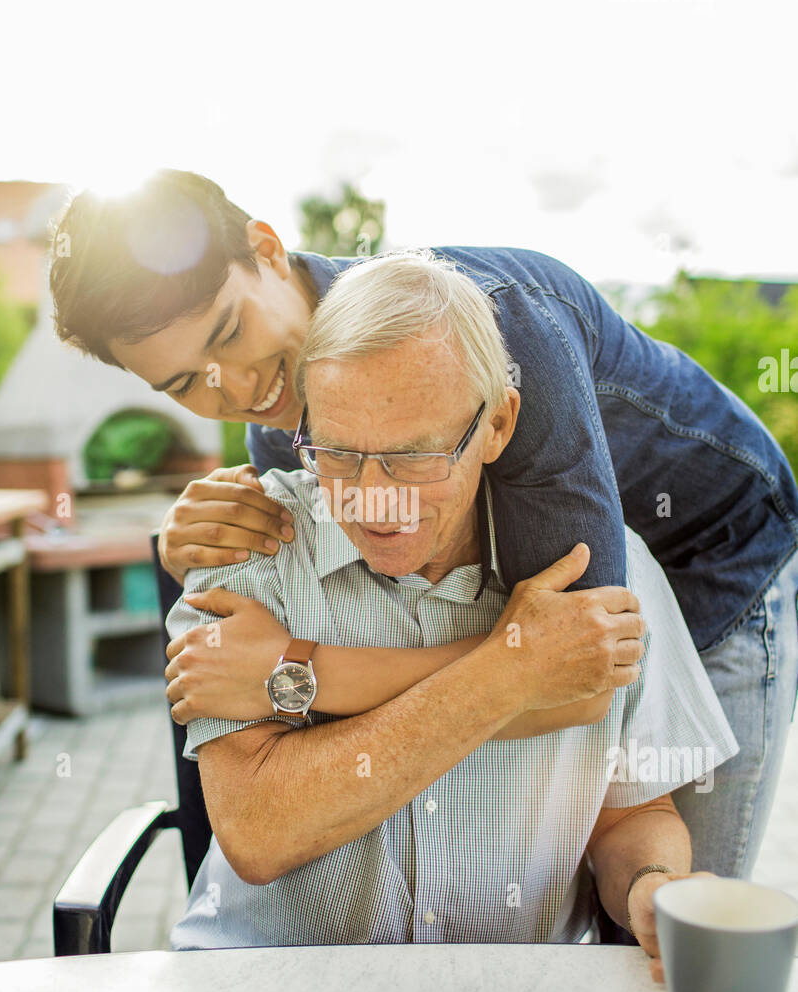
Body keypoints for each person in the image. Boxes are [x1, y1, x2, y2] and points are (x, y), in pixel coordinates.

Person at [49, 168, 798, 887]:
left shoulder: (498, 336)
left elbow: (571, 685)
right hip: (600, 586)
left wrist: (290, 675)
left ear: (269, 249)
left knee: (673, 918)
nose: (238, 388)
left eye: (230, 331)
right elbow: (518, 667)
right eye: (184, 384)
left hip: (716, 546)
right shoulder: (282, 429)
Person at [162, 250, 737, 969]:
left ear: (497, 425)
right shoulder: (247, 550)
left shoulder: (607, 580)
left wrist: (653, 886)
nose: (374, 497)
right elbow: (260, 833)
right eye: (338, 453)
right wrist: (511, 673)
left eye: (413, 455)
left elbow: (633, 814)